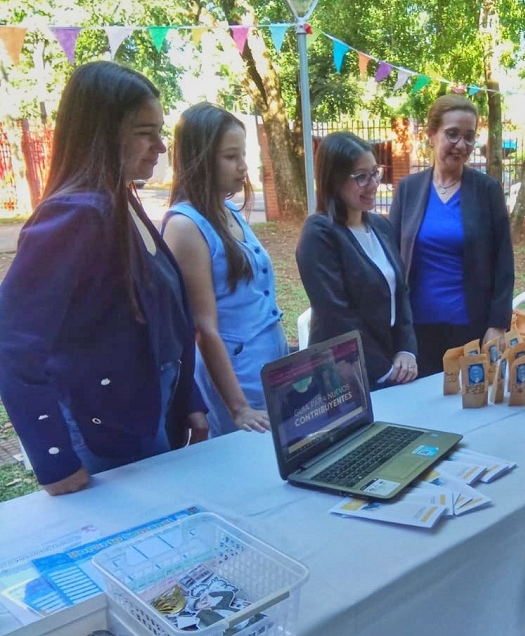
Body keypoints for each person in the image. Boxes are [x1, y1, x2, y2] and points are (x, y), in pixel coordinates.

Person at [0, 61, 208, 496]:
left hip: (152, 412)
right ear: (102, 132)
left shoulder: (124, 199)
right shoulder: (76, 215)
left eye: (159, 131)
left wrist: (189, 400)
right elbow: (13, 344)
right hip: (105, 433)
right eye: (144, 132)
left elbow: (168, 317)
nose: (161, 147)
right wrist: (54, 460)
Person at [163, 103, 287, 438]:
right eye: (231, 156)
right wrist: (239, 407)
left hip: (271, 363)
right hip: (238, 377)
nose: (243, 166)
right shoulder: (185, 227)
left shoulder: (228, 209)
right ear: (199, 158)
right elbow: (204, 328)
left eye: (243, 154)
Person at [389, 94, 514, 376]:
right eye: (452, 134)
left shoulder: (487, 191)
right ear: (431, 134)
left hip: (471, 331)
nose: (461, 145)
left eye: (469, 137)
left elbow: (504, 262)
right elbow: (392, 258)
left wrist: (498, 324)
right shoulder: (409, 189)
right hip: (416, 332)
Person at [296, 131, 417, 389]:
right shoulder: (319, 234)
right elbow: (336, 316)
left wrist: (406, 350)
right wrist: (384, 370)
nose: (373, 184)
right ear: (334, 180)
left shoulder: (380, 226)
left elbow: (401, 292)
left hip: (392, 364)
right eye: (361, 177)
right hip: (345, 374)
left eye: (375, 172)